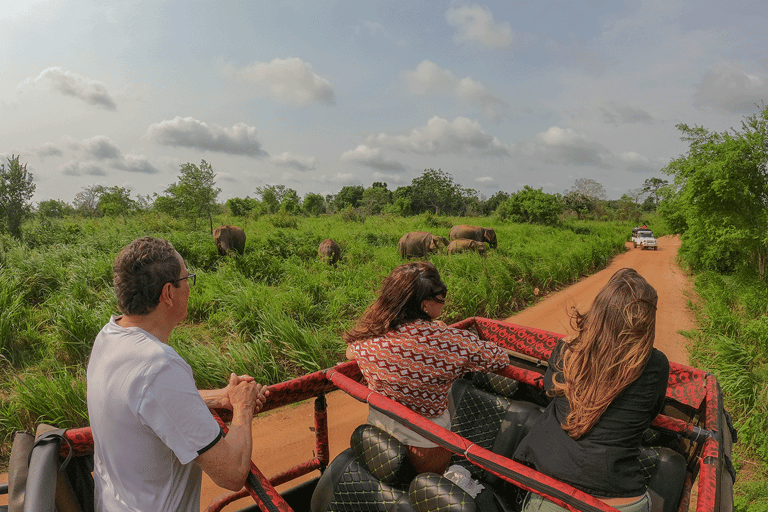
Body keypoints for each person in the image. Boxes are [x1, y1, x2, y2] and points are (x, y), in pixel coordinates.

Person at [87, 236, 269, 511]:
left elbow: (142, 402)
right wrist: (243, 407)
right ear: (168, 294)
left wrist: (216, 398)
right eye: (188, 279)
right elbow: (231, 473)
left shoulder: (109, 336)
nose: (189, 287)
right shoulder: (159, 366)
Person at [513, 268, 669, 512]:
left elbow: (549, 391)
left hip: (556, 497)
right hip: (624, 502)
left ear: (599, 311)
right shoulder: (656, 365)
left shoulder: (568, 351)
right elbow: (651, 414)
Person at [344, 261, 509, 474]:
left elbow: (350, 352)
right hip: (428, 446)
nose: (443, 300)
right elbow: (500, 358)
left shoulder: (370, 339)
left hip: (379, 436)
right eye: (440, 294)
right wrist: (442, 333)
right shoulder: (451, 342)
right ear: (424, 305)